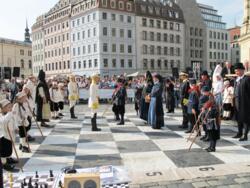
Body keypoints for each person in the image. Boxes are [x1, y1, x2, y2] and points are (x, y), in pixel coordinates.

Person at [232, 62, 250, 141]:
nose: (236, 72)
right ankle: (239, 132)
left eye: (238, 70)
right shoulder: (236, 80)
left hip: (244, 102)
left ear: (242, 70)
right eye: (235, 71)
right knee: (238, 118)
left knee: (245, 119)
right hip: (236, 101)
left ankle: (245, 135)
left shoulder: (247, 79)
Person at [0, 99, 18, 171]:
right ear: (3, 108)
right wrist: (10, 114)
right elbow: (4, 121)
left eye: (11, 107)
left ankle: (8, 158)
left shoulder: (10, 114)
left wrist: (16, 127)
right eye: (8, 107)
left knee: (10, 148)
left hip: (10, 134)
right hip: (3, 136)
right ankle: (4, 164)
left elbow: (14, 121)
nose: (10, 109)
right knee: (4, 151)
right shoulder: (1, 116)